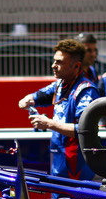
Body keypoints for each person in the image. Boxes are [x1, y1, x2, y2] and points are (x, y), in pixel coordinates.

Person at [18, 39, 99, 180]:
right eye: (54, 61)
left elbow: (84, 130)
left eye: (59, 62)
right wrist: (28, 100)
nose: (53, 66)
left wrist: (49, 123)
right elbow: (36, 97)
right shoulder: (59, 85)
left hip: (77, 166)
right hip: (58, 161)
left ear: (76, 66)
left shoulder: (86, 90)